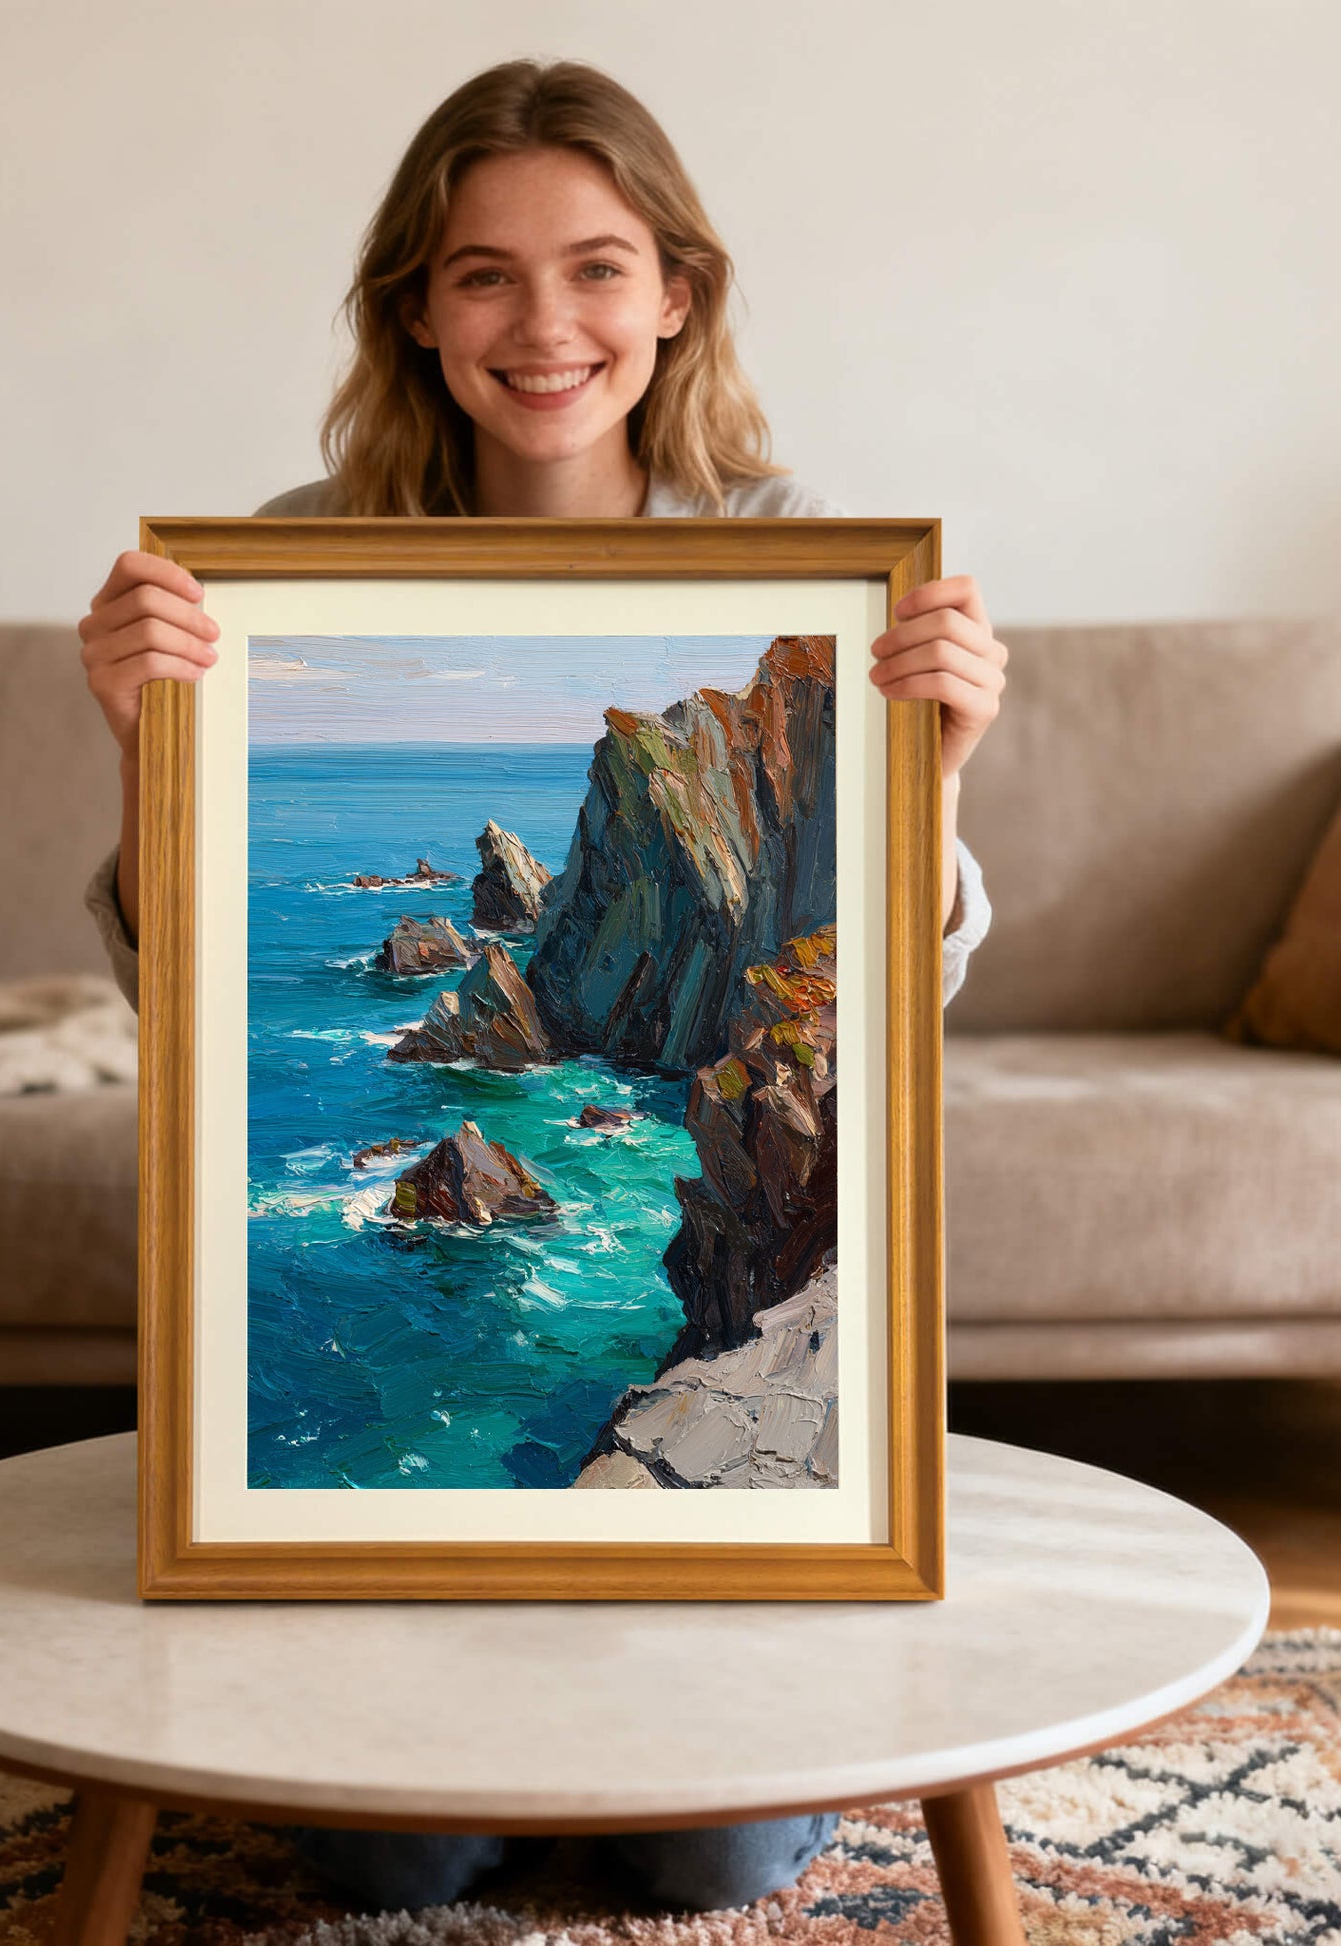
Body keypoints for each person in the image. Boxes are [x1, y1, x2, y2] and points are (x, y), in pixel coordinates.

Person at [75, 57, 1004, 1917]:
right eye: (482, 274)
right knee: (389, 1851)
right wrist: (139, 752)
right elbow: (176, 1004)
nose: (543, 323)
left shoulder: (795, 549)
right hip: (378, 1534)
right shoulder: (292, 556)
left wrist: (940, 781)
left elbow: (887, 1008)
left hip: (754, 1145)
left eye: (594, 267)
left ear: (676, 293)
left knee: (697, 1858)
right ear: (415, 310)